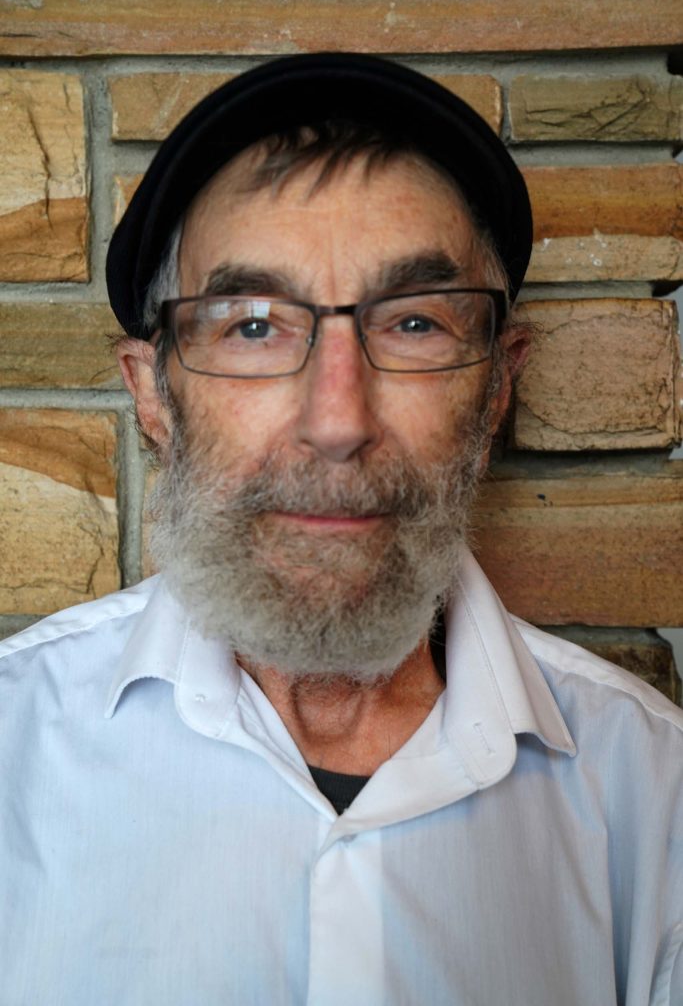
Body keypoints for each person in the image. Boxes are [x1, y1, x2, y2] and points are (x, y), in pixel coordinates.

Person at [0, 53, 681, 1005]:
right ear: (154, 394)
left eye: (411, 324)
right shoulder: (15, 744)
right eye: (250, 327)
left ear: (496, 387)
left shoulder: (652, 789)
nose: (337, 421)